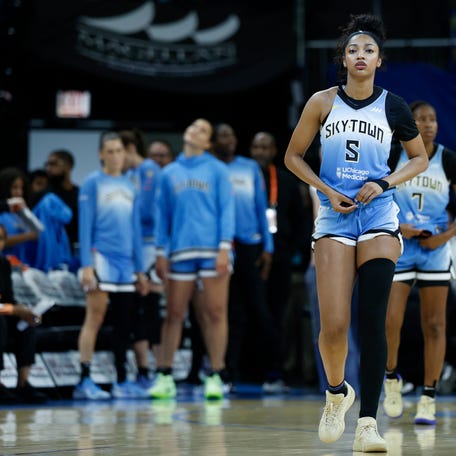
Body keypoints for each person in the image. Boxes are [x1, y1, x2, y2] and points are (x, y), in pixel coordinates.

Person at [283, 13, 428, 452]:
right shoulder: (322, 102)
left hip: (379, 213)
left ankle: (367, 422)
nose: (360, 55)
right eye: (352, 50)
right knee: (333, 326)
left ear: (379, 60)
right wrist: (326, 190)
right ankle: (336, 393)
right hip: (334, 215)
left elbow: (418, 159)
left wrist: (384, 183)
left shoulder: (395, 106)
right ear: (343, 60)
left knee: (373, 321)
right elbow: (293, 157)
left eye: (368, 50)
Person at [149, 118, 234, 400]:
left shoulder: (218, 170)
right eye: (193, 126)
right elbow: (162, 215)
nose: (195, 130)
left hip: (213, 251)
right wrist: (160, 251)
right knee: (173, 314)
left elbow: (226, 210)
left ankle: (216, 374)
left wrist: (224, 247)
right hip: (180, 252)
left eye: (203, 130)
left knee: (215, 313)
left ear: (208, 142)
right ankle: (164, 374)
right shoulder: (169, 172)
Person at [383, 101, 456, 425]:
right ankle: (390, 377)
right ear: (408, 125)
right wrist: (399, 227)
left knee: (436, 324)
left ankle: (429, 396)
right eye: (421, 119)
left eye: (433, 118)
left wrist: (444, 237)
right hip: (401, 245)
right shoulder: (393, 156)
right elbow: (374, 200)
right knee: (390, 321)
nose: (428, 124)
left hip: (435, 249)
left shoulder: (447, 159)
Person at [73, 131, 149, 400]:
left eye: (120, 151)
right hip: (101, 257)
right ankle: (84, 380)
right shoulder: (92, 183)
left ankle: (121, 380)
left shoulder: (131, 186)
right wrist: (86, 265)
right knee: (94, 318)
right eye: (111, 151)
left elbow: (135, 232)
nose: (116, 156)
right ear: (101, 154)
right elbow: (84, 226)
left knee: (123, 323)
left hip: (126, 263)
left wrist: (140, 269)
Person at [212, 123, 275, 389]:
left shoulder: (249, 168)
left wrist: (268, 247)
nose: (228, 139)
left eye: (231, 134)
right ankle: (228, 374)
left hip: (250, 245)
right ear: (214, 142)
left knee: (260, 310)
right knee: (229, 313)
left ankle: (273, 373)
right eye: (222, 135)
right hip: (222, 248)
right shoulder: (211, 169)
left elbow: (263, 209)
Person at [249, 131, 308, 392]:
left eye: (265, 147)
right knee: (252, 312)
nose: (261, 152)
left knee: (277, 313)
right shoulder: (243, 180)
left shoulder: (285, 180)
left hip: (281, 258)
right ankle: (246, 370)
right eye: (256, 147)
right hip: (249, 255)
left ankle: (275, 372)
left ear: (274, 150)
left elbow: (302, 221)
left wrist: (289, 250)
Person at [120, 128, 163, 391]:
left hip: (150, 246)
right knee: (135, 308)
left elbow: (150, 211)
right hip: (132, 247)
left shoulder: (150, 170)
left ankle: (157, 370)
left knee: (150, 308)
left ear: (129, 149)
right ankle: (142, 370)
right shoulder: (126, 175)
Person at [0, 223, 48, 404]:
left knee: (27, 323)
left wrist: (27, 311)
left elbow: (9, 299)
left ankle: (23, 383)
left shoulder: (3, 264)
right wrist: (13, 309)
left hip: (3, 313)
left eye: (1, 239)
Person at [42, 150, 80, 268]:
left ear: (68, 166)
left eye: (53, 164)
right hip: (50, 255)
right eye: (47, 164)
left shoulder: (80, 195)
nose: (48, 168)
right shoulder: (44, 196)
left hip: (75, 254)